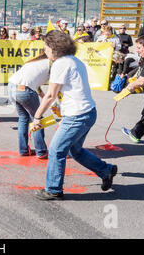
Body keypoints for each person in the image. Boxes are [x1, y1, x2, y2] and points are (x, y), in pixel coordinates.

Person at [32, 30, 117, 200]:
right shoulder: (74, 60)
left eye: (46, 47)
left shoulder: (60, 64)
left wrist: (37, 117)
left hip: (77, 116)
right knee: (75, 150)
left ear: (54, 47)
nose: (45, 51)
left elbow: (50, 95)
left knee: (56, 150)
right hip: (87, 112)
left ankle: (54, 189)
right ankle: (106, 170)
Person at [8, 54, 50, 158]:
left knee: (23, 118)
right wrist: (52, 102)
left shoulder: (34, 62)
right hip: (25, 90)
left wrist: (44, 97)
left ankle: (23, 150)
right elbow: (55, 87)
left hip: (11, 87)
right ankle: (41, 151)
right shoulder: (52, 64)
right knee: (37, 118)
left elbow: (36, 85)